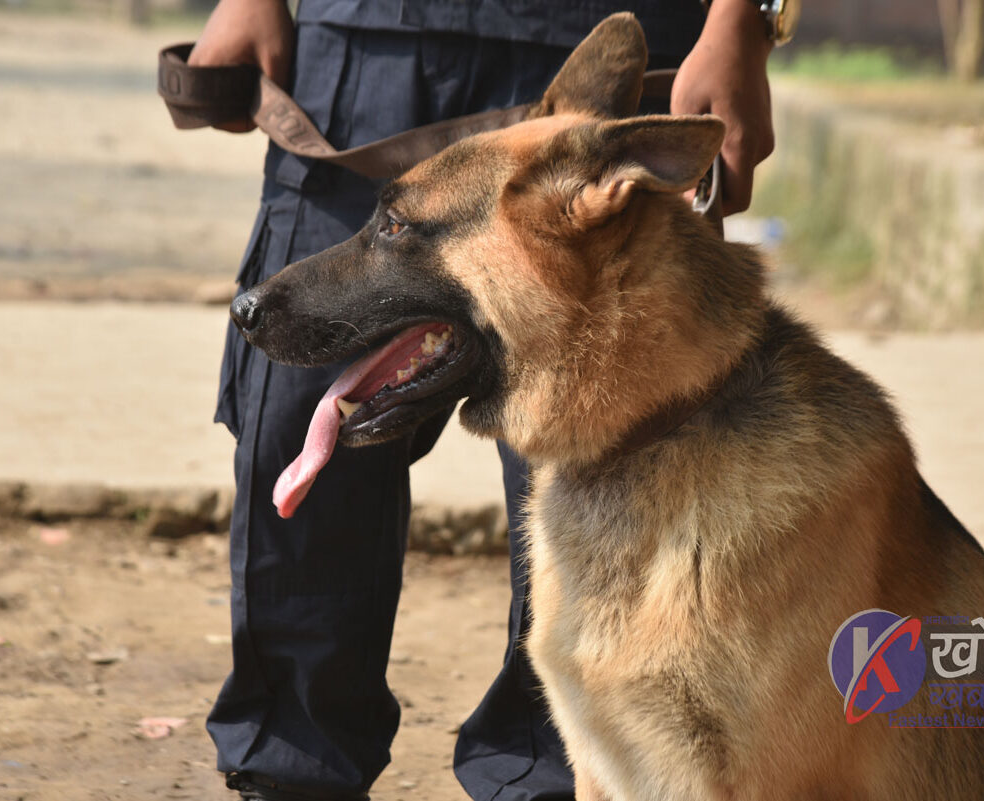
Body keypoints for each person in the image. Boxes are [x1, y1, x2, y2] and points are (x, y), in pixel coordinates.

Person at [188, 0, 777, 798]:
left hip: (618, 19)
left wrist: (742, 21)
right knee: (293, 418)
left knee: (611, 456)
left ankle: (548, 782)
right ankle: (289, 779)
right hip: (372, 29)